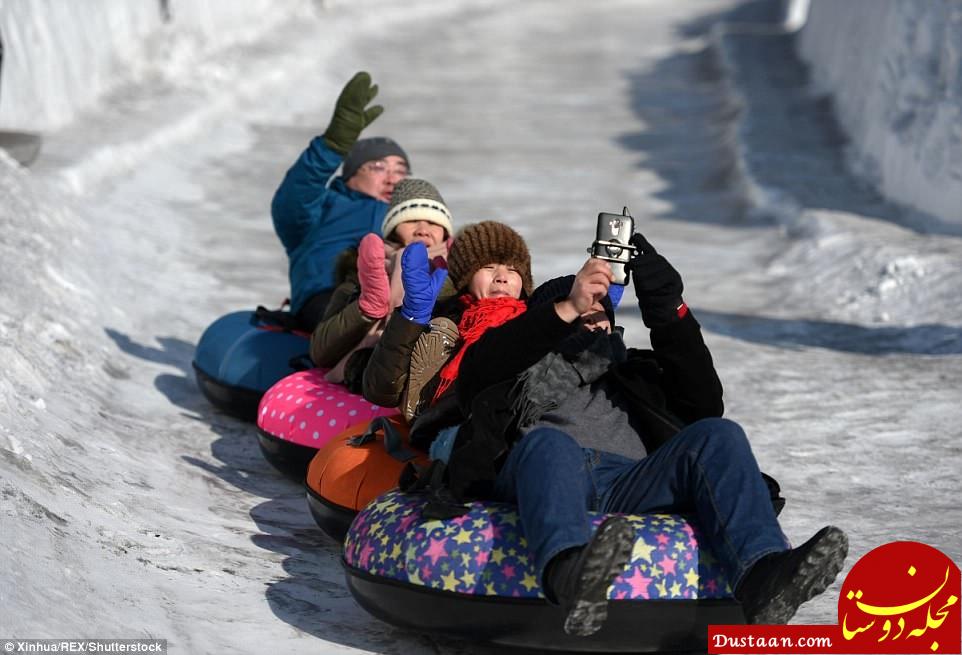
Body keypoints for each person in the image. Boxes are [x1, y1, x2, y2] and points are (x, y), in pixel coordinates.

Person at [444, 234, 848, 636]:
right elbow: (485, 366)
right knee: (552, 445)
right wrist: (567, 306)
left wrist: (667, 308)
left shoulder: (631, 373)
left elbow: (703, 401)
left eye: (599, 311)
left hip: (629, 482)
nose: (593, 318)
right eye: (580, 311)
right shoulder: (511, 378)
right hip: (547, 473)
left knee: (717, 433)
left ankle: (763, 577)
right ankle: (571, 577)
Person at [271, 71, 410, 331]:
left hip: (400, 299)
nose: (392, 178)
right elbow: (295, 196)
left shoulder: (412, 218)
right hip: (329, 298)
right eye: (379, 166)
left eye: (401, 170)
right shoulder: (321, 208)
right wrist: (332, 146)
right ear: (351, 174)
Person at [363, 221, 533, 421]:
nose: (502, 277)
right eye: (489, 267)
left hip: (513, 426)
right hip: (446, 427)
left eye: (513, 270)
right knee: (441, 334)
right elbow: (379, 390)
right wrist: (411, 318)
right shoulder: (442, 320)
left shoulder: (537, 320)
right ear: (465, 277)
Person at [308, 178, 454, 388]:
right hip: (365, 370)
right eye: (411, 220)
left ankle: (414, 301)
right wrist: (363, 310)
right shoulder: (367, 268)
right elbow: (319, 354)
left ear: (446, 232)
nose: (423, 229)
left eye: (433, 222)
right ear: (393, 228)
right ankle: (371, 304)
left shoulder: (459, 271)